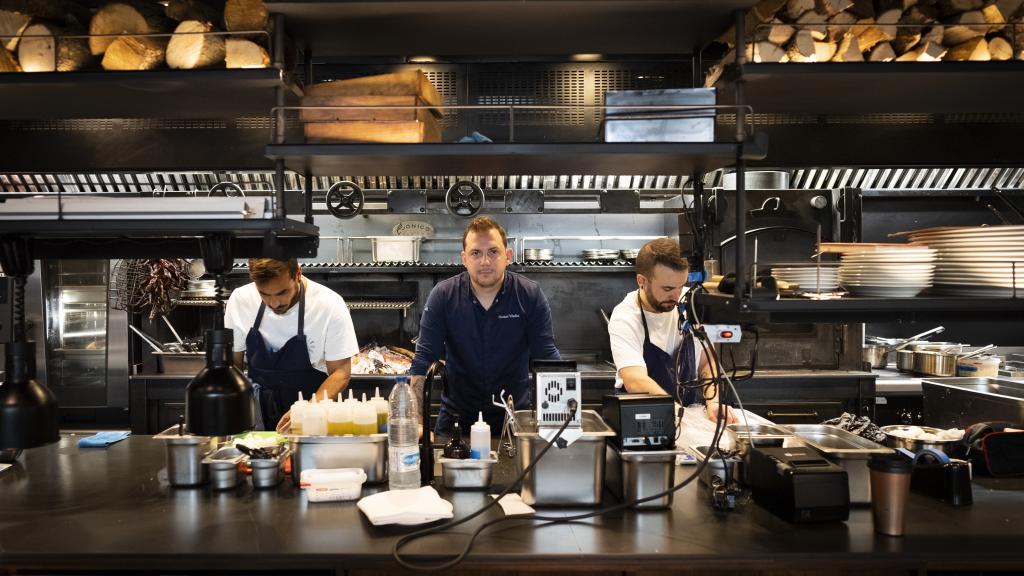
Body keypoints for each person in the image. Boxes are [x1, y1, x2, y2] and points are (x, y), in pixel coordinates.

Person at [410, 216, 560, 436]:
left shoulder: (529, 294)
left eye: (493, 251)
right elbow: (423, 360)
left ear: (507, 256)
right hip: (456, 424)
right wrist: (417, 422)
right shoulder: (443, 295)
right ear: (464, 258)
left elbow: (547, 359)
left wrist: (557, 418)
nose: (485, 261)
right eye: (476, 253)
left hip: (514, 422)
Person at [607, 238, 736, 423]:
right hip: (641, 420)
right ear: (641, 281)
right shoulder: (625, 316)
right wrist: (678, 414)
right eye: (667, 288)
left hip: (683, 417)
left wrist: (713, 402)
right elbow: (635, 381)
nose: (676, 296)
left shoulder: (689, 301)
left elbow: (707, 361)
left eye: (680, 286)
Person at [225, 257, 359, 432]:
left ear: (298, 274)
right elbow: (231, 365)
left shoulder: (329, 305)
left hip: (312, 416)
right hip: (257, 415)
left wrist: (309, 410)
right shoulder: (240, 299)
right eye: (264, 294)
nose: (274, 303)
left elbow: (340, 372)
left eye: (282, 293)